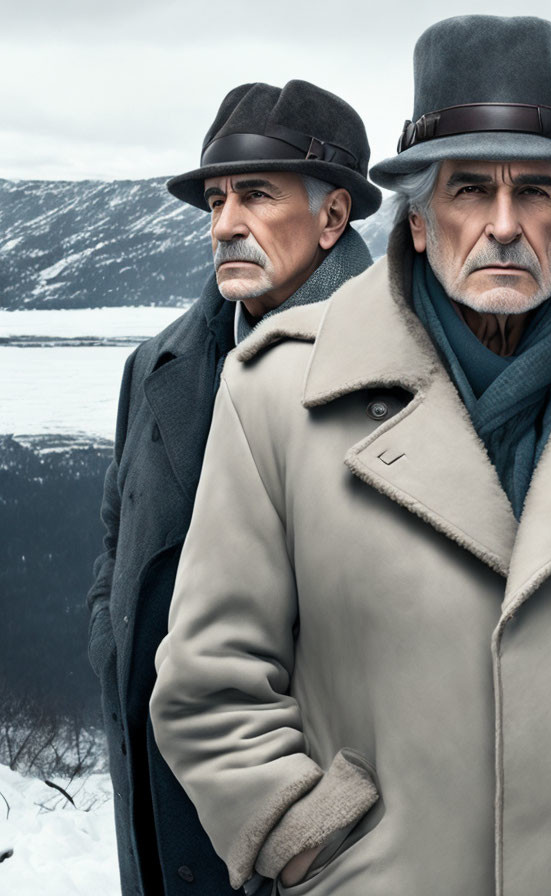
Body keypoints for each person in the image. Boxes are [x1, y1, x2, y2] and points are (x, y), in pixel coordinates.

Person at [148, 16, 551, 896]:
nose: (505, 226)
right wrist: (312, 845)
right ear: (415, 221)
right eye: (471, 190)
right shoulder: (280, 393)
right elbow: (210, 678)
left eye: (538, 193)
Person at [85, 79, 380, 895]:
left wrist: (314, 826)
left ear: (333, 217)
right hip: (165, 817)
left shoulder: (407, 368)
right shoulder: (155, 368)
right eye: (216, 200)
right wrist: (116, 653)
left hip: (328, 837)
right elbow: (118, 543)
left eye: (255, 194)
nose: (224, 226)